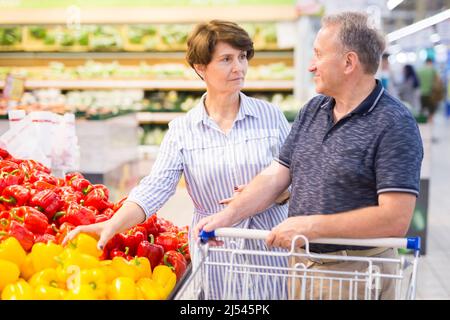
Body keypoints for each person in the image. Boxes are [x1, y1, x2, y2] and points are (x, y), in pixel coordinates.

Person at [194, 12, 423, 300]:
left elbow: (394, 219)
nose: (311, 66)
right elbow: (277, 175)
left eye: (318, 55)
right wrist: (228, 215)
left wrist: (310, 227)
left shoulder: (394, 123)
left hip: (356, 274)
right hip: (302, 268)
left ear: (349, 62)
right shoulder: (314, 110)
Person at [63, 20, 291, 299]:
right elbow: (154, 187)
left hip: (268, 246)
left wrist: (273, 194)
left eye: (243, 57)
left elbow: (297, 176)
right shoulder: (182, 131)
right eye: (226, 59)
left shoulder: (272, 116)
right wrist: (111, 224)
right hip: (215, 250)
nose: (238, 67)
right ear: (201, 67)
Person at [418, 57, 443, 123]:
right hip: (431, 94)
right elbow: (439, 81)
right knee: (431, 111)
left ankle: (424, 125)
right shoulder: (433, 70)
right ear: (431, 62)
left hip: (422, 93)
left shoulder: (420, 70)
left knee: (422, 110)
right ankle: (430, 125)